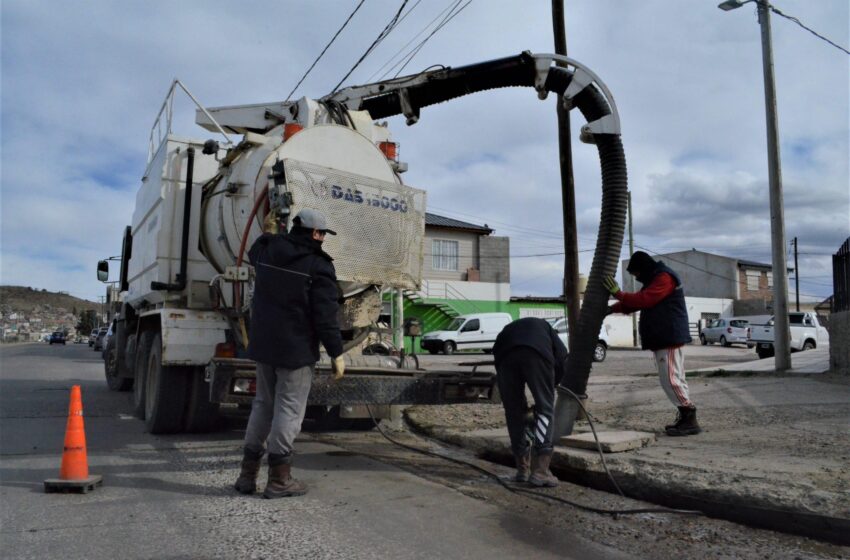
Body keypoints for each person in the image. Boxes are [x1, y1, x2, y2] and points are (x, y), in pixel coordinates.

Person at [234, 208, 346, 499]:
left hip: (263, 346)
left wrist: (269, 231)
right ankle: (279, 479)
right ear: (315, 233)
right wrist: (337, 353)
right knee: (289, 410)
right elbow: (325, 316)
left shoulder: (269, 250)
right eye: (322, 234)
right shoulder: (318, 266)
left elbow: (253, 252)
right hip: (295, 351)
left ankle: (247, 476)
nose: (322, 239)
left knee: (263, 405)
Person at [603, 251, 701, 436]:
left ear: (643, 268)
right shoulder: (655, 278)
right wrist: (612, 308)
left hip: (668, 337)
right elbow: (638, 302)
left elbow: (644, 300)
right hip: (665, 336)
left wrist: (618, 294)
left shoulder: (663, 277)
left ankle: (689, 418)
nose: (637, 277)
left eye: (636, 273)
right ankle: (685, 417)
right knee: (675, 378)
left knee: (671, 380)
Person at [493, 317, 569, 487]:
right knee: (545, 410)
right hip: (535, 352)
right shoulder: (548, 330)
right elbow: (563, 357)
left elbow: (496, 354)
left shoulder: (513, 328)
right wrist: (551, 385)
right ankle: (541, 471)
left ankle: (522, 469)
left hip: (504, 355)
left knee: (513, 412)